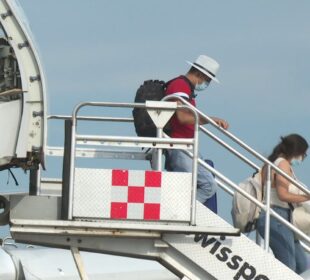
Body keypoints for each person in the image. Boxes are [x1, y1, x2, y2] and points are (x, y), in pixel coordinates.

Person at [164, 54, 229, 205]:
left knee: (196, 185)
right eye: (207, 80)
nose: (207, 84)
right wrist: (210, 119)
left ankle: (185, 212)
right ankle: (184, 214)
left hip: (185, 145)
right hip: (180, 146)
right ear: (200, 74)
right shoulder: (180, 86)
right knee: (207, 185)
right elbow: (182, 117)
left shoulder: (185, 88)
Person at [257, 134, 309, 274]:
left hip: (281, 217)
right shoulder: (282, 164)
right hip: (277, 216)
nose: (302, 158)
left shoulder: (273, 161)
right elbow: (283, 194)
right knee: (288, 266)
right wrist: (306, 197)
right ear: (296, 151)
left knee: (302, 265)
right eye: (303, 154)